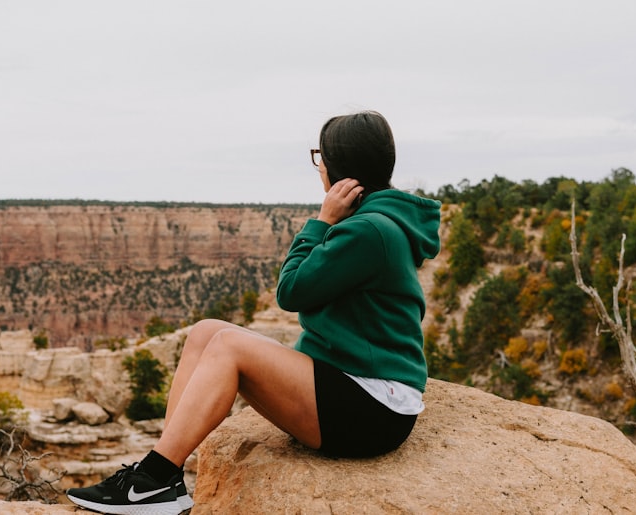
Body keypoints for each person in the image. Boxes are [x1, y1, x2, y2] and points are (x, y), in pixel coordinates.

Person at [66, 111, 441, 515]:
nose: (320, 168)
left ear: (339, 168)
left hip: (373, 409)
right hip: (353, 386)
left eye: (321, 157)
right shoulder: (375, 222)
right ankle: (161, 476)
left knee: (228, 346)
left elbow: (291, 290)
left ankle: (151, 483)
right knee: (206, 331)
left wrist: (321, 221)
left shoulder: (368, 230)